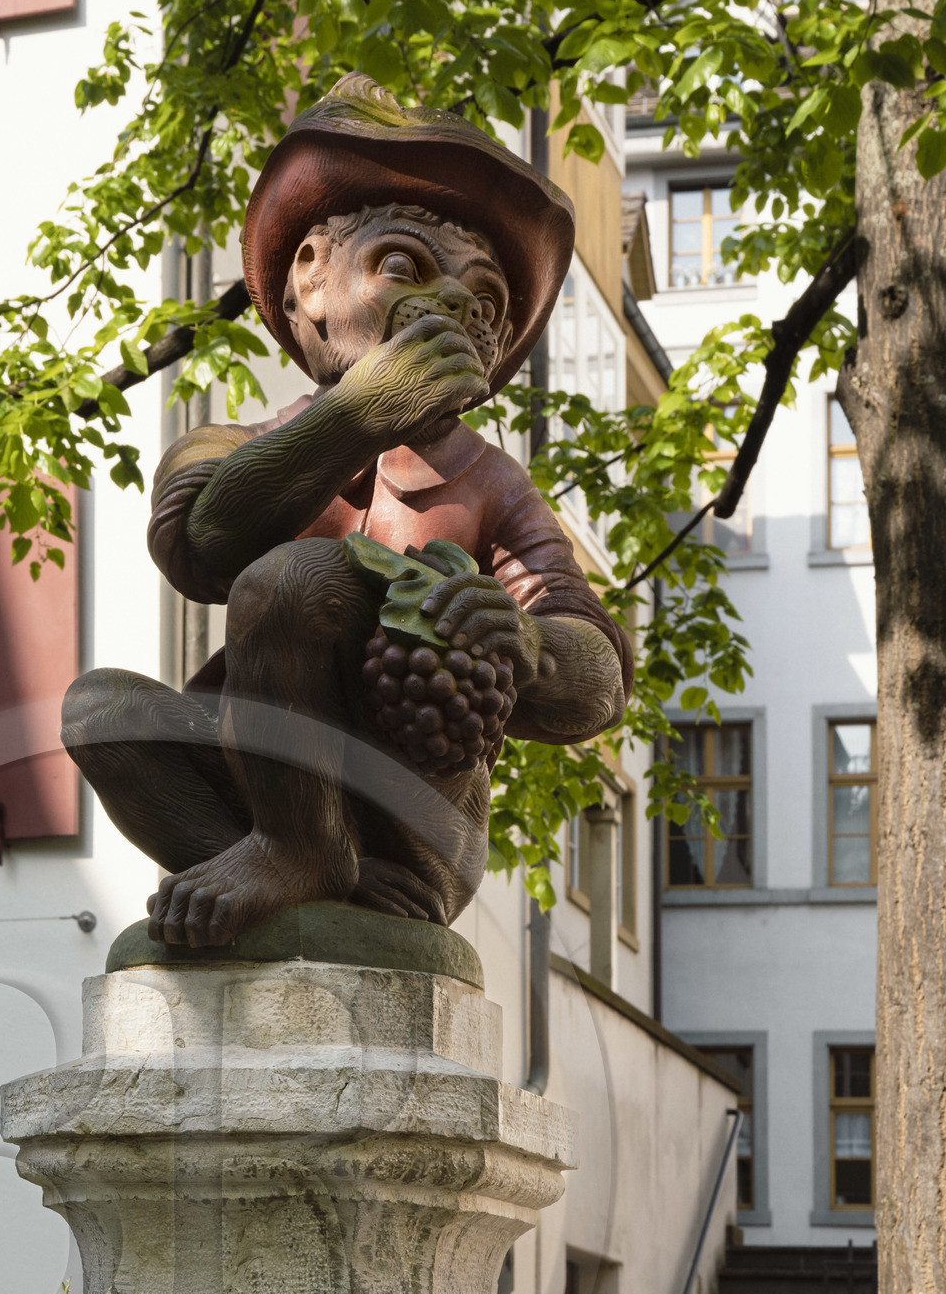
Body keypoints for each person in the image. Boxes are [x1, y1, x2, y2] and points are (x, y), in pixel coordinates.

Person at [61, 73, 632, 946]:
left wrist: (525, 643)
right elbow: (203, 543)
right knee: (101, 708)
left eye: (484, 304)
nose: (452, 309)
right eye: (403, 266)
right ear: (310, 283)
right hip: (241, 781)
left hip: (412, 818)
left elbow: (597, 678)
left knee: (302, 576)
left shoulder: (490, 483)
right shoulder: (229, 446)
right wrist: (358, 414)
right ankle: (291, 867)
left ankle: (305, 859)